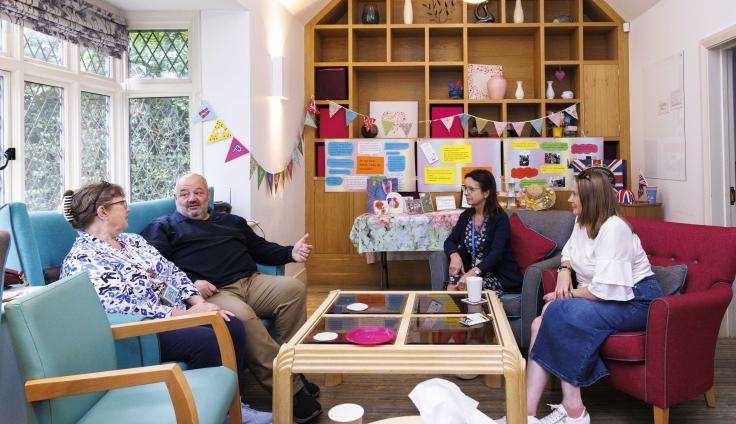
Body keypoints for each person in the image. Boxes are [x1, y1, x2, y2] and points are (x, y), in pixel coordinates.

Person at [60, 181, 272, 424]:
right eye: (122, 204)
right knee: (207, 340)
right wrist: (185, 315)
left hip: (168, 315)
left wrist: (195, 302)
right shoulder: (84, 258)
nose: (128, 209)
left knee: (232, 324)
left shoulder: (131, 241)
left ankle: (233, 405)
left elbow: (169, 274)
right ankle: (205, 412)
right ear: (103, 212)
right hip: (140, 329)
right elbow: (124, 307)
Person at [141, 173, 321, 423]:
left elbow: (260, 248)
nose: (191, 199)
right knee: (243, 317)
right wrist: (191, 286)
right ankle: (290, 389)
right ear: (175, 198)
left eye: (198, 192)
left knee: (292, 289)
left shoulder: (232, 222)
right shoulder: (163, 227)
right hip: (214, 292)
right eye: (184, 194)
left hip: (251, 281)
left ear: (208, 196)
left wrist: (290, 252)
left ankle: (290, 368)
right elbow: (156, 272)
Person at [498, 168, 662, 424]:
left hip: (635, 300)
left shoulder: (614, 229)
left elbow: (608, 290)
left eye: (575, 194)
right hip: (603, 297)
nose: (570, 199)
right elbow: (569, 252)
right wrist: (564, 270)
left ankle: (573, 410)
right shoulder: (582, 221)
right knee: (538, 323)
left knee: (555, 311)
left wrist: (567, 295)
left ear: (591, 198)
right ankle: (525, 415)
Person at [444, 169, 522, 295]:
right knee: (454, 284)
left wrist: (472, 273)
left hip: (497, 275)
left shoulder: (500, 218)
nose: (466, 193)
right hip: (474, 274)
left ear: (486, 193)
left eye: (471, 189)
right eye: (465, 188)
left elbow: (496, 254)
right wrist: (454, 255)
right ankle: (464, 315)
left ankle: (473, 315)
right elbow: (450, 241)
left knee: (461, 287)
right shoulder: (466, 216)